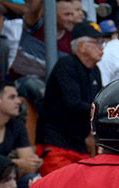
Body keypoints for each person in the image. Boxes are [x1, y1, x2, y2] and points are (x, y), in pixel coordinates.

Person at [36, 21, 110, 176]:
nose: (101, 47)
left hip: (79, 145)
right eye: (96, 42)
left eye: (102, 42)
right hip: (56, 144)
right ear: (81, 45)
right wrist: (104, 111)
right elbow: (73, 104)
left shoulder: (95, 71)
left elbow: (98, 102)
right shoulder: (66, 66)